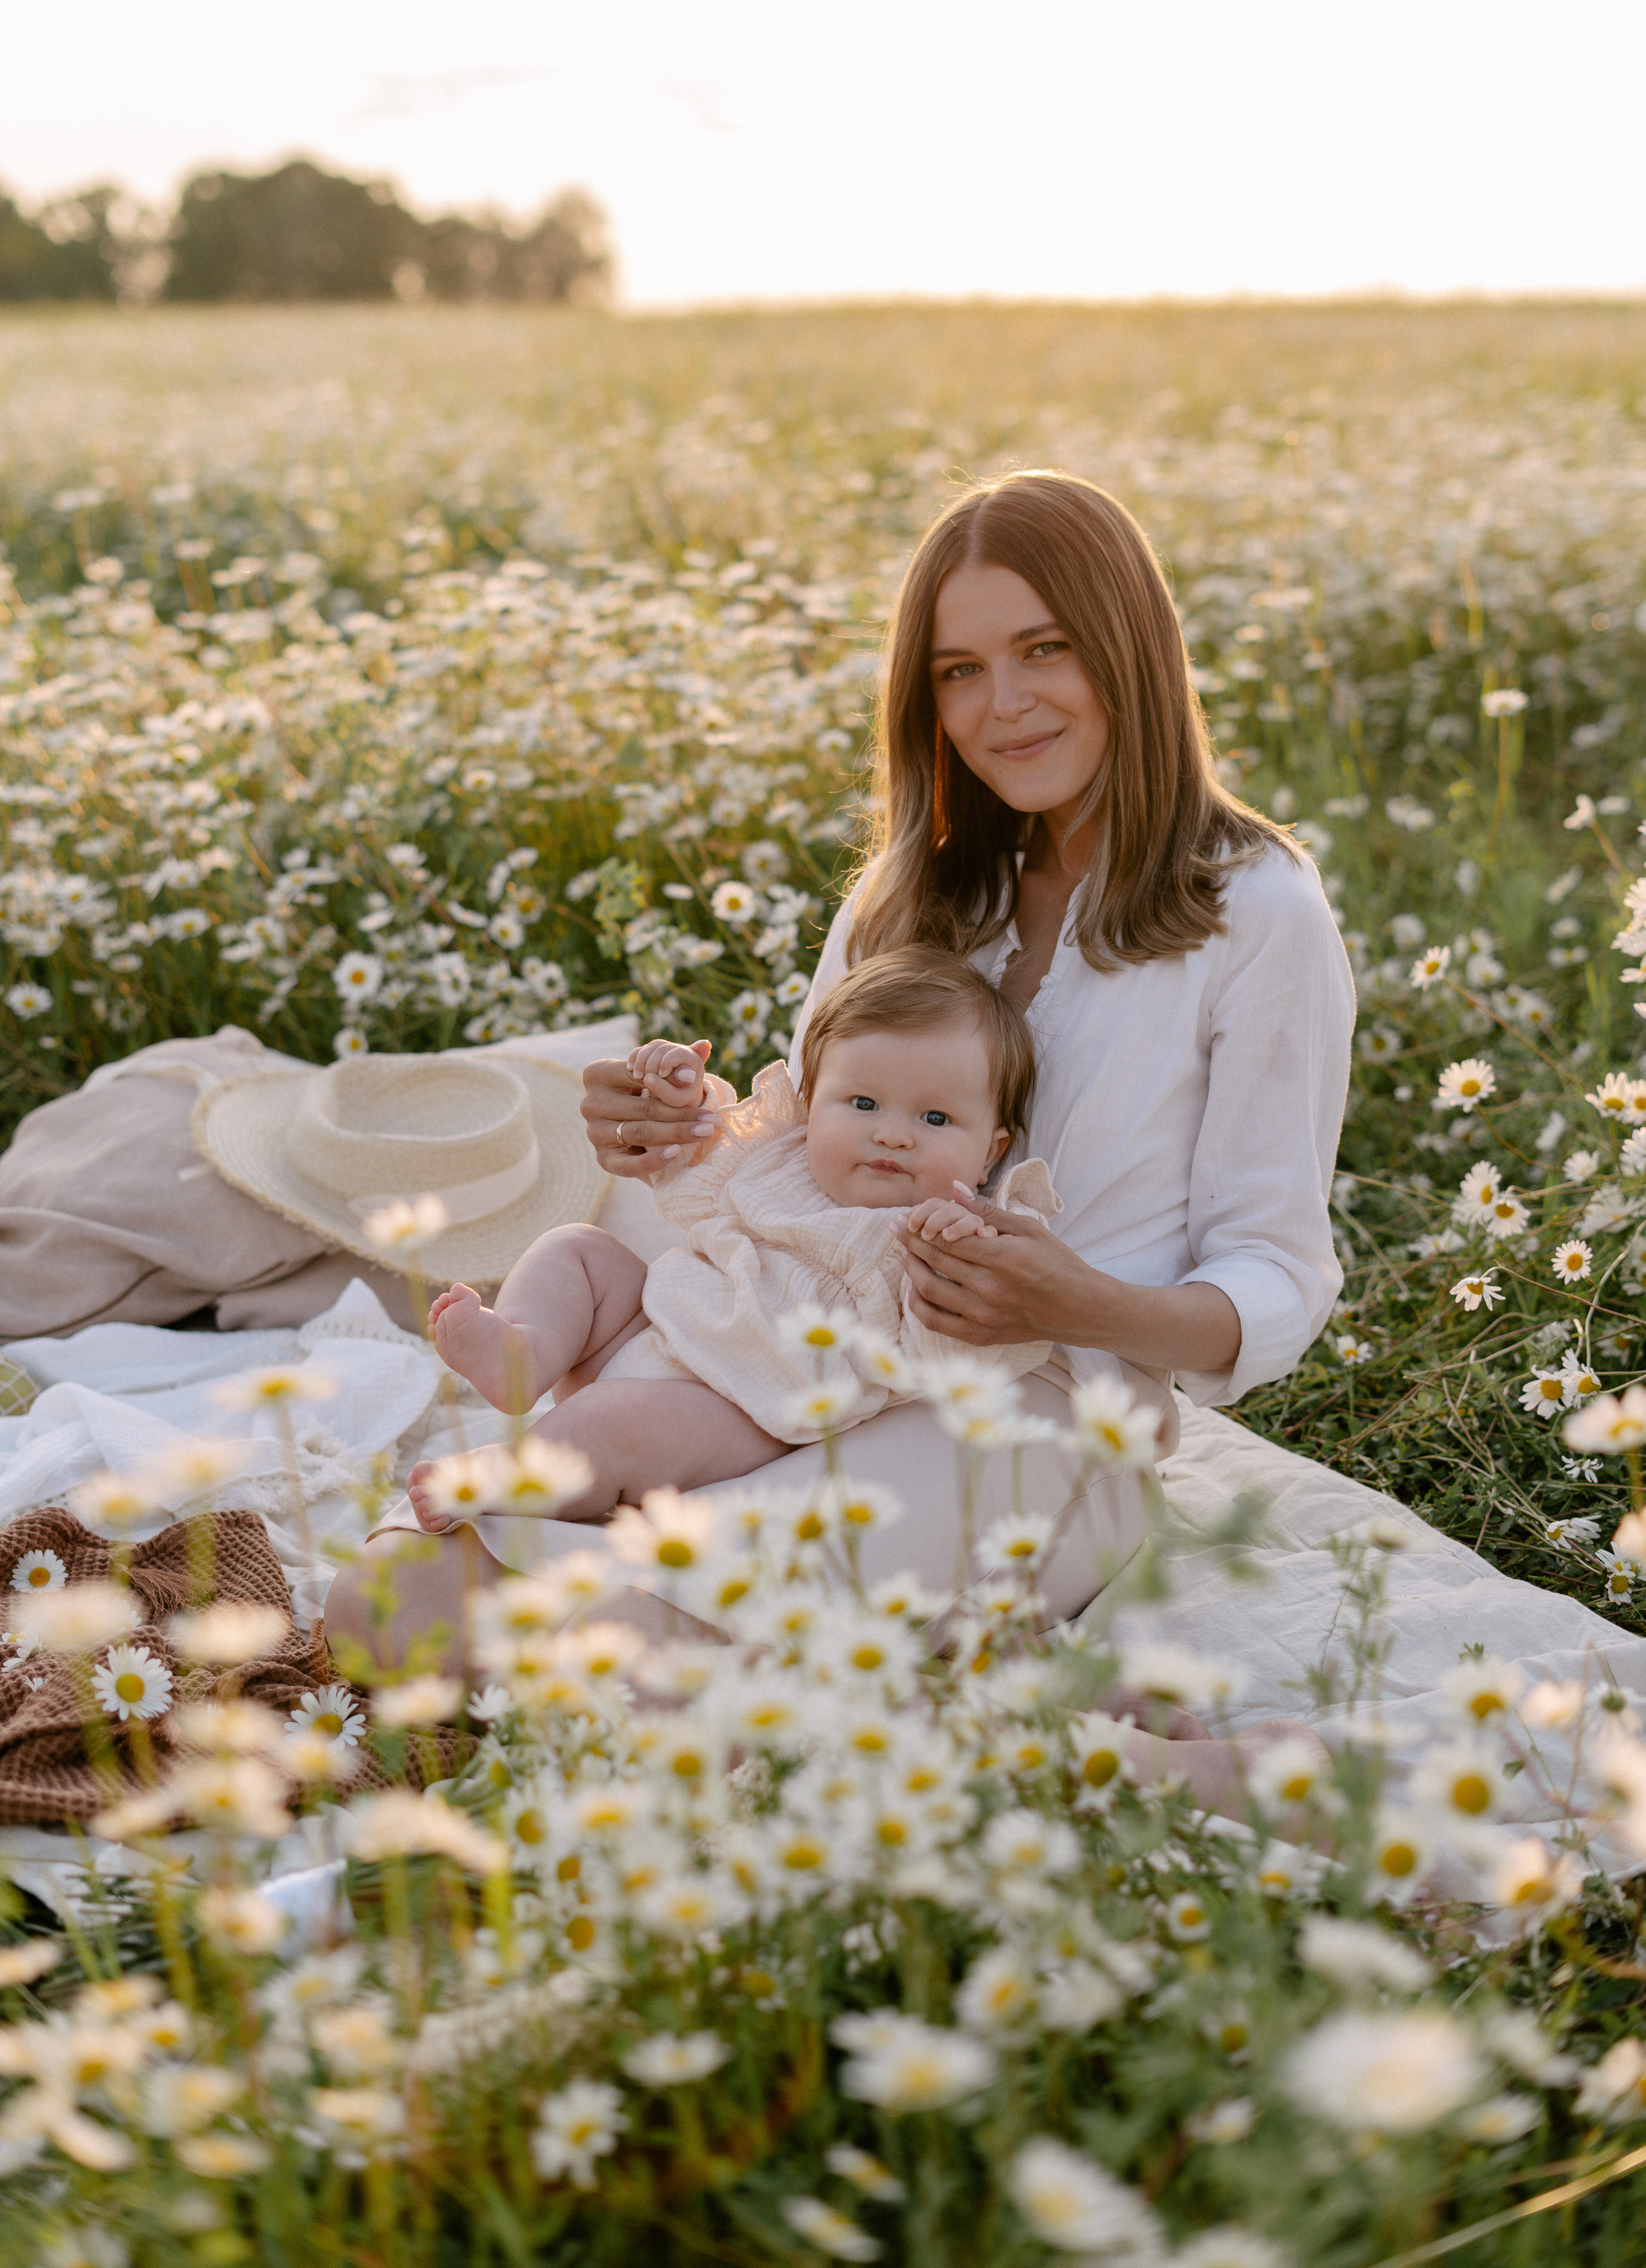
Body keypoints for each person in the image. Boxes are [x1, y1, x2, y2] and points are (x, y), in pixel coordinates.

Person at [327, 469, 1353, 1799]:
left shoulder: (1256, 911)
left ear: (1129, 651)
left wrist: (1077, 1299)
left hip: (1028, 1425)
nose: (1005, 705)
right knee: (375, 1608)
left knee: (619, 1637)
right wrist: (666, 1131)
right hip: (793, 1376)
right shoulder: (905, 893)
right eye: (959, 670)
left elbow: (1277, 1275)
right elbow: (805, 1147)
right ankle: (1025, 1695)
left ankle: (1154, 1774)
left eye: (1045, 650)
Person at [404, 947, 1078, 1530]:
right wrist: (676, 1095)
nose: (893, 1133)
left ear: (989, 1153)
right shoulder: (778, 1159)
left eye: (935, 1117)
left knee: (618, 1421)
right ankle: (520, 1349)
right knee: (579, 1251)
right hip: (647, 1327)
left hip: (742, 1414)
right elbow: (690, 1157)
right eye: (863, 1104)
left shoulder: (953, 1237)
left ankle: (508, 1475)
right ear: (811, 1104)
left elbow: (959, 1358)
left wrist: (964, 1259)